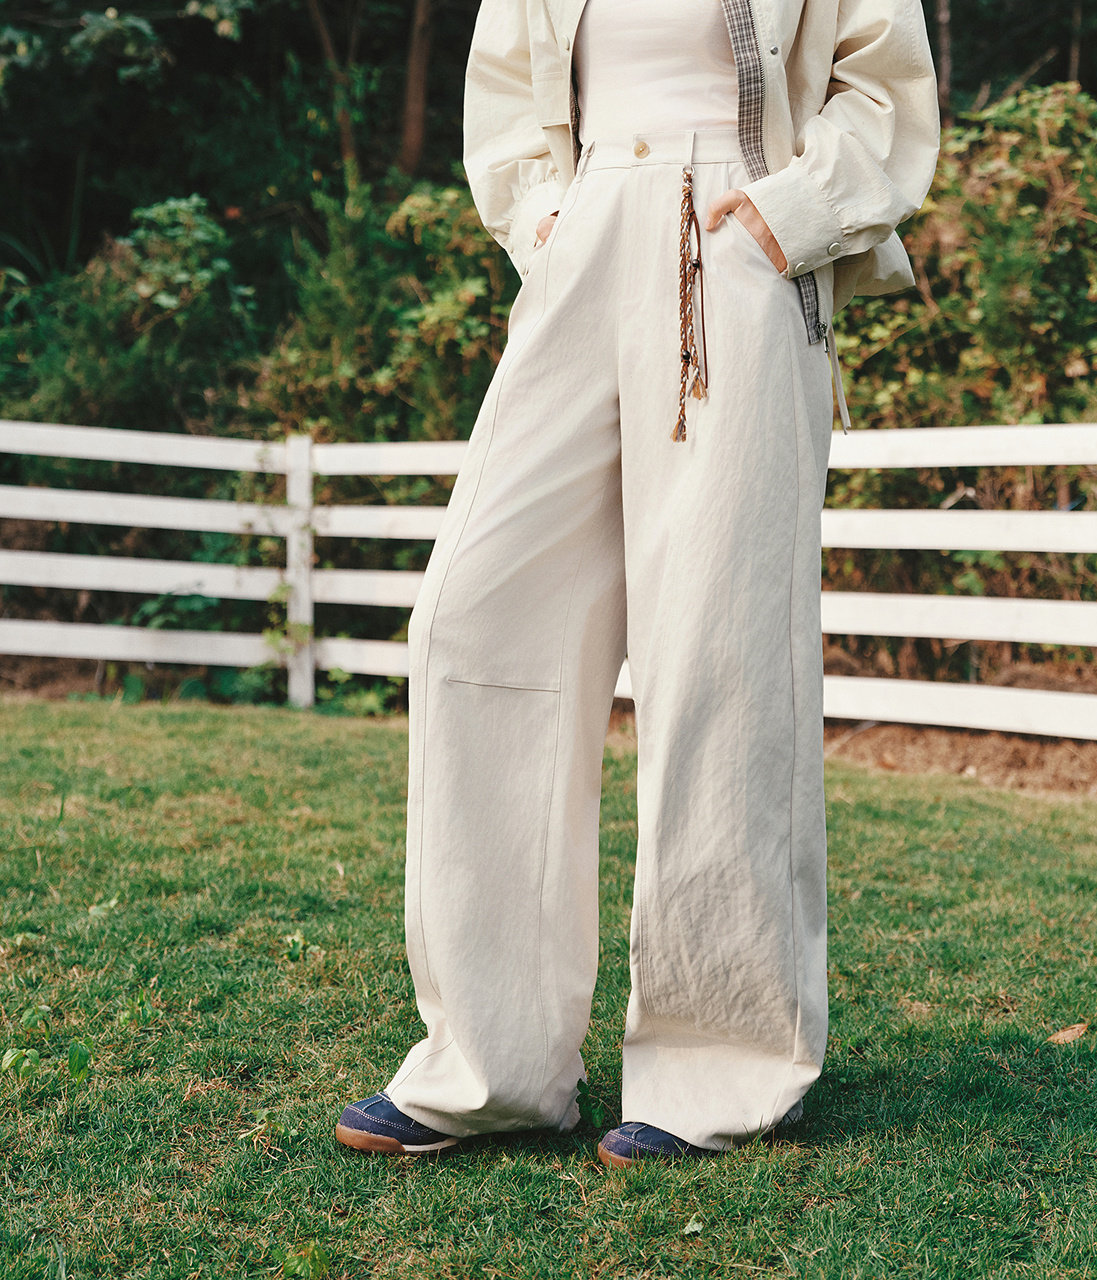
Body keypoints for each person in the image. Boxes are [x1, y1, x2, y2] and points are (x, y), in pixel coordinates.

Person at [335, 0, 939, 1167]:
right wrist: (543, 218)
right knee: (475, 616)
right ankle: (492, 1063)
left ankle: (722, 1062)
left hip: (741, 234)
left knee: (720, 645)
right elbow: (506, 85)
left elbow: (882, 85)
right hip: (584, 229)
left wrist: (785, 215)